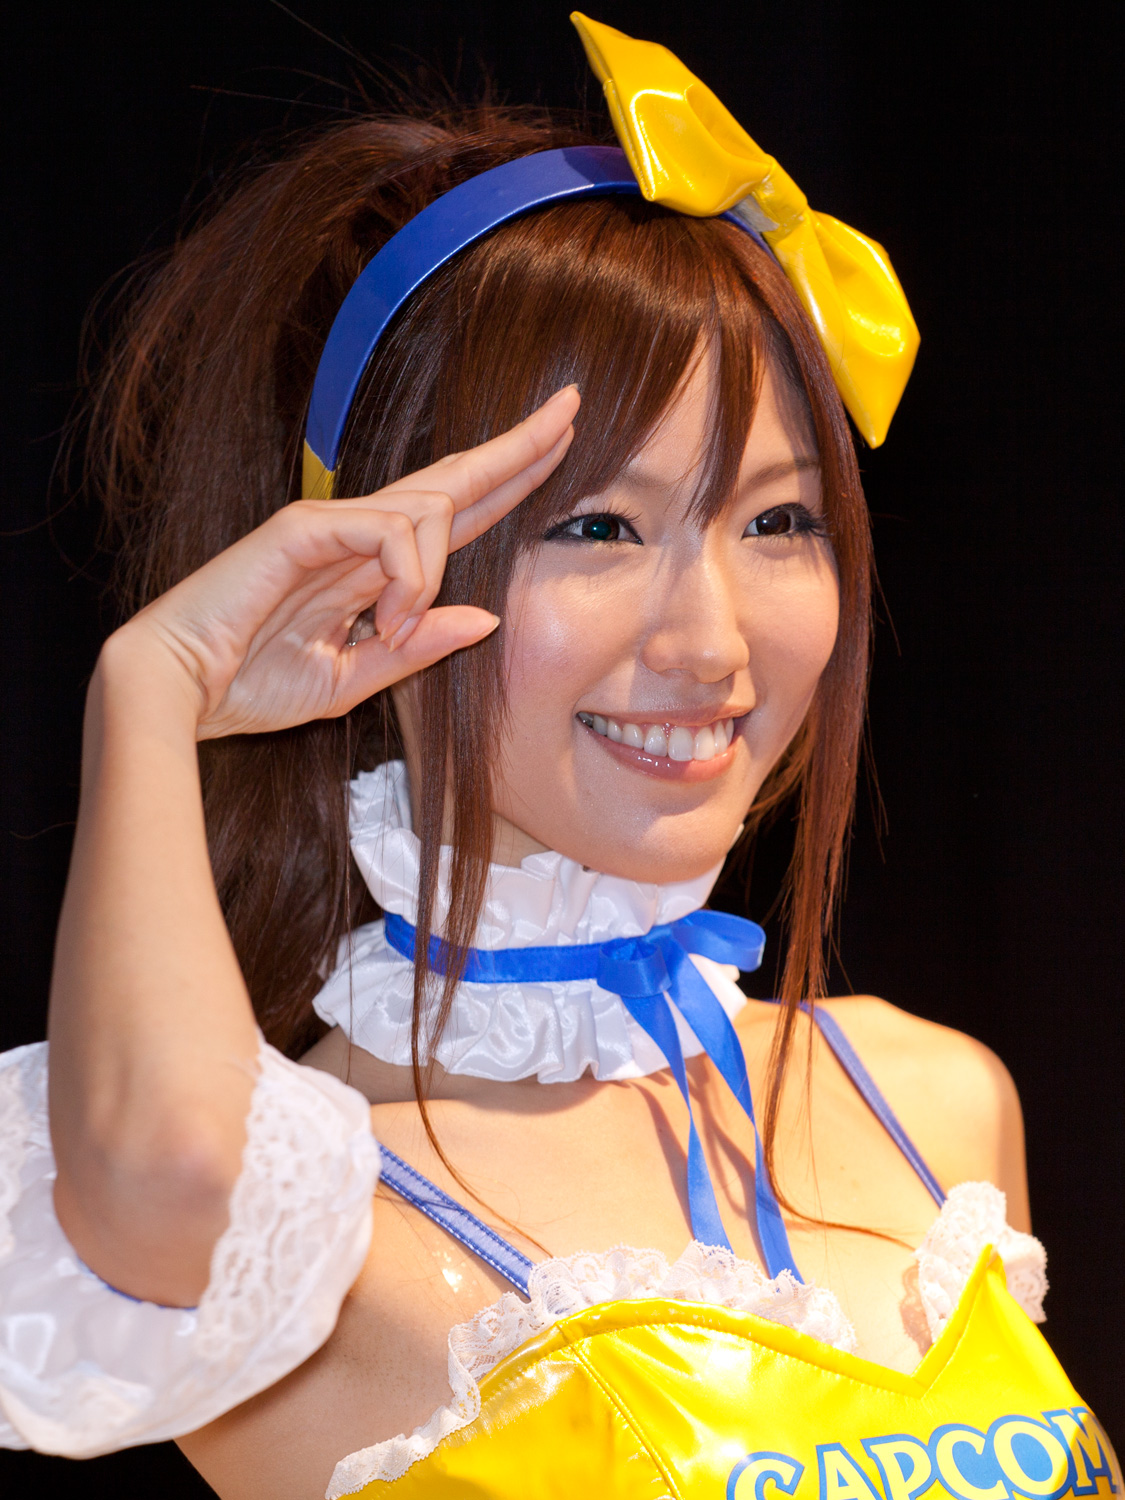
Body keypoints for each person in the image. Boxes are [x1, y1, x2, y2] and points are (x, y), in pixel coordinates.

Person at [0, 14, 1117, 1500]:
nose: (711, 641)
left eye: (778, 520)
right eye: (597, 527)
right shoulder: (314, 1218)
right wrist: (151, 690)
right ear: (368, 574)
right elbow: (162, 1176)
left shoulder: (934, 1101)